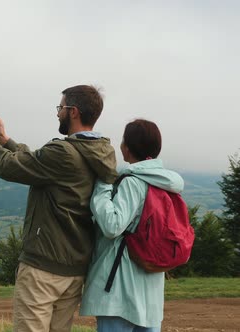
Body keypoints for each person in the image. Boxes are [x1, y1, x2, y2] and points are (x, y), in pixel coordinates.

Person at [0, 85, 118, 332]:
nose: (57, 113)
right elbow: (39, 162)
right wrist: (5, 141)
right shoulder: (101, 152)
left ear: (73, 112)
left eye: (60, 108)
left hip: (43, 269)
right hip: (75, 267)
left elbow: (7, 166)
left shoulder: (64, 151)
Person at [79, 119, 184, 331]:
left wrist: (102, 186)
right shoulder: (165, 183)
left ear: (127, 147)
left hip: (119, 292)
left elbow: (112, 225)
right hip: (151, 297)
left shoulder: (133, 182)